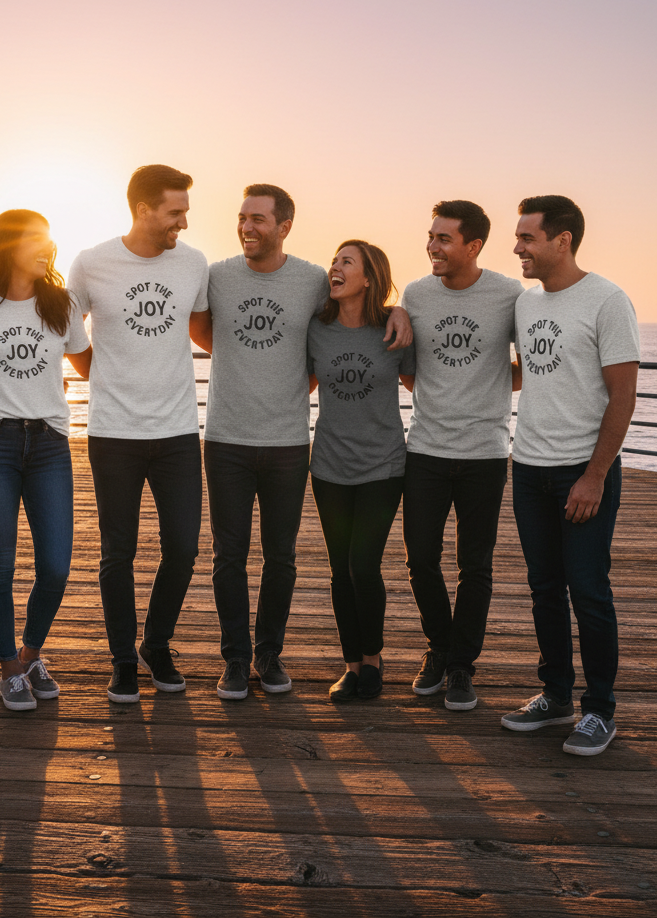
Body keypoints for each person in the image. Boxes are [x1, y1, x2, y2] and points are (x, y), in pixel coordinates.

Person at [198, 185, 413, 700]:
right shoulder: (218, 276)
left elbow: (357, 314)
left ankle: (269, 656)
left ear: (284, 226)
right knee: (229, 557)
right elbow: (205, 333)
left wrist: (402, 308)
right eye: (242, 217)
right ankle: (235, 660)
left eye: (259, 219)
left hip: (291, 444)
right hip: (226, 437)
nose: (248, 227)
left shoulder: (314, 280)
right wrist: (254, 369)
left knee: (282, 557)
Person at [501, 195, 639, 756]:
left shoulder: (607, 300)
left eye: (528, 238)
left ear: (563, 240)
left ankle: (599, 709)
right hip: (528, 466)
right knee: (543, 590)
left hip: (581, 472)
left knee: (588, 590)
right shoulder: (525, 305)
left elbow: (623, 395)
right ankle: (555, 695)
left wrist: (595, 475)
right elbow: (525, 372)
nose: (517, 248)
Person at [67, 164, 209, 703]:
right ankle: (123, 659)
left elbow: (203, 329)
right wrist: (94, 371)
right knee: (117, 551)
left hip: (176, 431)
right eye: (176, 212)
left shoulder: (193, 264)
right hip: (112, 433)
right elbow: (63, 325)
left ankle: (157, 643)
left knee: (183, 547)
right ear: (143, 208)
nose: (185, 222)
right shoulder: (92, 263)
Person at [0, 210, 91, 711]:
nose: (46, 247)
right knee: (0, 565)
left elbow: (91, 364)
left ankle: (32, 654)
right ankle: (8, 666)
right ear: (7, 245)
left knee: (56, 566)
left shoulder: (63, 305)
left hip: (50, 443)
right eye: (35, 239)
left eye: (49, 239)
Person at [399, 201, 523, 710]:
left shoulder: (509, 294)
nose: (432, 246)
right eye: (431, 236)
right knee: (420, 560)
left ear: (473, 246)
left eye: (444, 239)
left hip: (484, 454)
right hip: (425, 449)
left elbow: (529, 363)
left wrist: (488, 389)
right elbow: (408, 368)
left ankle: (461, 667)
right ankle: (439, 647)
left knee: (475, 566)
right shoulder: (416, 293)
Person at [307, 241, 415, 702]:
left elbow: (424, 382)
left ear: (368, 277)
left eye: (346, 262)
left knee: (362, 565)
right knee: (338, 569)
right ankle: (351, 666)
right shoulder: (316, 328)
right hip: (329, 465)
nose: (335, 267)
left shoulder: (392, 330)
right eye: (334, 261)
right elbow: (296, 379)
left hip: (383, 466)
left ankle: (372, 661)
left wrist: (403, 310)